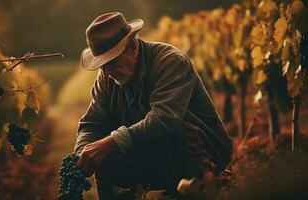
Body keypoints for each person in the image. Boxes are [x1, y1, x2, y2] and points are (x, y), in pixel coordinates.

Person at [74, 12, 233, 199]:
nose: (107, 72)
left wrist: (109, 142)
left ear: (132, 48)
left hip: (198, 151)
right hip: (155, 154)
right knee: (103, 161)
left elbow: (163, 119)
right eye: (102, 65)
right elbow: (92, 124)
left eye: (111, 62)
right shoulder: (107, 78)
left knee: (176, 129)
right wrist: (83, 152)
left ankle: (204, 183)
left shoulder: (170, 62)